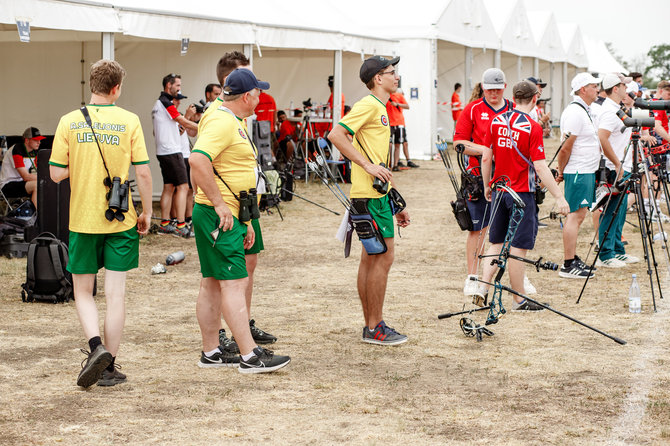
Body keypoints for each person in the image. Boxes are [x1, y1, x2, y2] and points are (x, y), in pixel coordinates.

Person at [49, 59, 153, 388]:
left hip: (82, 219)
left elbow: (54, 173)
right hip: (120, 218)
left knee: (83, 292)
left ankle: (96, 347)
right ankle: (109, 367)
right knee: (116, 295)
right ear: (116, 88)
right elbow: (144, 172)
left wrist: (80, 166)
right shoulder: (129, 120)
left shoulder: (69, 121)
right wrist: (147, 211)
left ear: (91, 85)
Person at [189, 68, 290, 373]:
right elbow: (197, 159)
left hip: (229, 213)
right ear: (247, 96)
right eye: (258, 92)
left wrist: (243, 219)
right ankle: (250, 356)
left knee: (212, 284)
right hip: (220, 215)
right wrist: (220, 204)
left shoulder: (230, 119)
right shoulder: (222, 120)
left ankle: (211, 352)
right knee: (234, 283)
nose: (261, 97)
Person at [328, 55, 411, 345]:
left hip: (376, 195)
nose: (396, 76)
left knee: (372, 258)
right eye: (392, 72)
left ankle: (371, 325)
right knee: (383, 258)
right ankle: (375, 326)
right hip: (367, 195)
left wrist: (395, 200)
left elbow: (380, 159)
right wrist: (366, 165)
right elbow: (336, 134)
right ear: (378, 78)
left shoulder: (381, 107)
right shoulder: (368, 105)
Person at [208, 51, 278, 353]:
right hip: (228, 204)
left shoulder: (237, 113)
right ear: (230, 81)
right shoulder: (219, 113)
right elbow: (202, 158)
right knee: (226, 275)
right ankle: (226, 333)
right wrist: (221, 203)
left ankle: (243, 323)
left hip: (246, 202)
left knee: (249, 262)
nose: (256, 92)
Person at [479, 80, 569, 306]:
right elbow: (540, 166)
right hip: (522, 193)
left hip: (500, 189)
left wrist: (486, 185)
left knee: (496, 242)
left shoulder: (496, 120)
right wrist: (559, 196)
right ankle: (519, 299)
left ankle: (482, 288)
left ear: (513, 97)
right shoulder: (532, 126)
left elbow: (486, 157)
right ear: (535, 99)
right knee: (518, 247)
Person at [453, 68, 516, 300]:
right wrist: (486, 150)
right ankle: (472, 276)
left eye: (498, 88)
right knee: (478, 230)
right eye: (490, 89)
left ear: (505, 87)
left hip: (508, 177)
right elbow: (458, 142)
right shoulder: (473, 109)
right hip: (479, 178)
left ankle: (515, 275)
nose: (494, 93)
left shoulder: (513, 108)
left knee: (510, 229)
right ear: (483, 88)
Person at [556, 72, 602, 279]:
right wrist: (561, 170)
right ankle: (568, 264)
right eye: (594, 86)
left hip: (584, 170)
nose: (598, 89)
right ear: (583, 89)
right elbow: (565, 147)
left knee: (580, 215)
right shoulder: (575, 111)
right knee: (575, 215)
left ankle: (573, 258)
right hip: (578, 170)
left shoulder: (583, 110)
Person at [595, 74, 640, 268]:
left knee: (620, 211)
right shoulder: (608, 111)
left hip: (623, 166)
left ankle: (617, 249)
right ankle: (606, 253)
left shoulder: (616, 108)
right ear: (615, 88)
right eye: (624, 85)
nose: (626, 89)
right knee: (611, 210)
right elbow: (602, 138)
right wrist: (617, 164)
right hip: (615, 168)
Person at [152, 73, 198, 237]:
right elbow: (183, 122)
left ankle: (165, 223)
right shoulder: (165, 102)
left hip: (164, 151)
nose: (179, 90)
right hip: (171, 151)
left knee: (169, 187)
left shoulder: (159, 104)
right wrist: (205, 127)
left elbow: (156, 131)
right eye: (177, 86)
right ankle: (180, 225)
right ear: (168, 86)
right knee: (184, 187)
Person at [0, 126, 44, 207]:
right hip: (7, 185)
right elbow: (26, 177)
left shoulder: (34, 152)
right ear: (27, 140)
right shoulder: (17, 149)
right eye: (36, 140)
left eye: (40, 139)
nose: (39, 142)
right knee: (37, 185)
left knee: (44, 184)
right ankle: (36, 217)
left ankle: (43, 213)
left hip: (20, 183)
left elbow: (39, 170)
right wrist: (45, 178)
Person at [387, 90, 419, 171]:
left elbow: (407, 106)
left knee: (399, 144)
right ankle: (389, 164)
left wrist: (397, 104)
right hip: (389, 123)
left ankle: (396, 164)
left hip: (399, 123)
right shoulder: (385, 95)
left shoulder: (399, 95)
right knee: (389, 145)